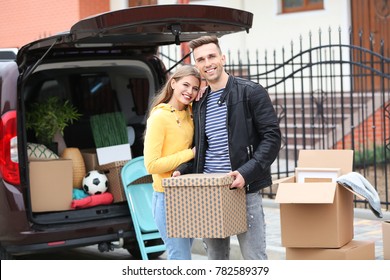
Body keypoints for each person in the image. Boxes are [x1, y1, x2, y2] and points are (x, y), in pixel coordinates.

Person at [176, 36, 282, 260]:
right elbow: (200, 145)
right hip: (209, 189)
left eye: (212, 56)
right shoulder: (199, 101)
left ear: (223, 58)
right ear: (197, 65)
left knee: (254, 257)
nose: (208, 63)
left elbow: (272, 138)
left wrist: (246, 173)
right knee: (216, 258)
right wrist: (184, 169)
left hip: (244, 187)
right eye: (201, 59)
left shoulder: (251, 92)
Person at [143, 65, 201, 260]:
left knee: (184, 256)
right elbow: (151, 165)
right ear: (173, 83)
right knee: (180, 258)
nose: (190, 92)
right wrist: (189, 154)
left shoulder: (192, 113)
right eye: (185, 85)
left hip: (189, 194)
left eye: (195, 88)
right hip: (166, 197)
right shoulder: (159, 117)